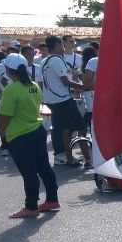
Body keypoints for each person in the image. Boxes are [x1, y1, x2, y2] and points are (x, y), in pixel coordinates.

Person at [0, 53, 60, 218]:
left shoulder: (11, 90)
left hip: (19, 136)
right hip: (37, 131)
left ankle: (31, 207)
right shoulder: (34, 85)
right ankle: (52, 200)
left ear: (9, 70)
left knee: (29, 173)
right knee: (44, 167)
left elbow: (4, 116)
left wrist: (2, 133)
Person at [39, 36, 86, 166]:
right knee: (79, 126)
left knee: (62, 128)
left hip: (52, 100)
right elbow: (65, 81)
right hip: (62, 100)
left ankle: (62, 156)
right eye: (61, 44)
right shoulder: (56, 60)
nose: (63, 47)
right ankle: (72, 158)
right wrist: (85, 87)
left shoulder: (45, 61)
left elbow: (48, 83)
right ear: (56, 45)